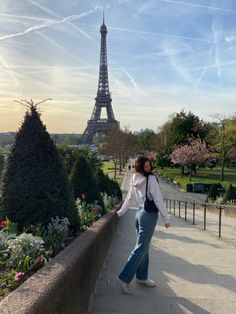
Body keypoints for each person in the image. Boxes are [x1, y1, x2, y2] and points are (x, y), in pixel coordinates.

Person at [116, 155, 170, 294]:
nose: (149, 168)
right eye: (146, 166)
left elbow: (129, 197)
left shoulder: (135, 178)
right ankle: (124, 278)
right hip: (149, 216)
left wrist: (121, 212)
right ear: (140, 167)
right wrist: (166, 219)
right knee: (141, 248)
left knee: (143, 247)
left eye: (149, 165)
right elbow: (158, 200)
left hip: (139, 215)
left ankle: (141, 277)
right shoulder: (150, 179)